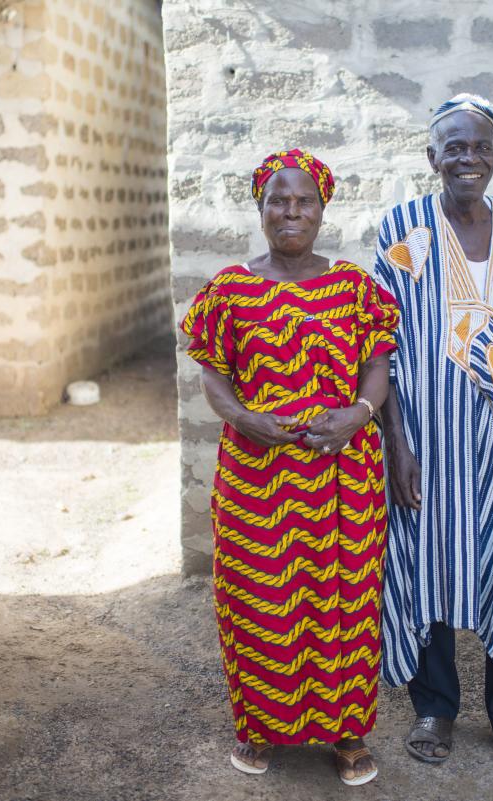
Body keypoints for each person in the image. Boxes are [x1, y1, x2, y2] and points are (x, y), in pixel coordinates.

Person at [179, 149, 399, 786]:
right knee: (258, 600)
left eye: (304, 200)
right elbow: (214, 375)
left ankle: (347, 733)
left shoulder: (356, 289)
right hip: (257, 479)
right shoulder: (230, 289)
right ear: (262, 209)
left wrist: (359, 413)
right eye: (279, 199)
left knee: (346, 604)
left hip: (343, 479)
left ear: (322, 209)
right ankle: (258, 727)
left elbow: (377, 366)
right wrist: (247, 419)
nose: (292, 211)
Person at [372, 94, 493, 779]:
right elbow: (381, 347)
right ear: (433, 158)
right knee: (427, 559)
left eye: (479, 146)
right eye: (453, 147)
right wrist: (396, 444)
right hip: (429, 438)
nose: (467, 157)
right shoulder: (404, 228)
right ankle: (435, 707)